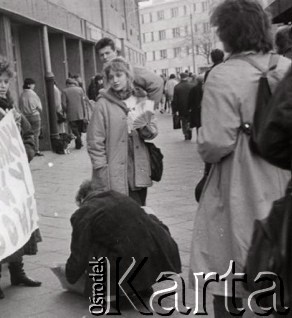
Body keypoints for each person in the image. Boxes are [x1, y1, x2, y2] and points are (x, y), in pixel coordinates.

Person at [189, 0, 292, 316]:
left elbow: (214, 144)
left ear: (227, 35)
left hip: (238, 185)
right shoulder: (287, 68)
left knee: (225, 269)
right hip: (283, 179)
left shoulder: (222, 76)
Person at [0, 57, 42, 299]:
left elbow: (28, 133)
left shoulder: (9, 104)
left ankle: (17, 271)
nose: (3, 86)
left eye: (6, 81)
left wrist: (26, 154)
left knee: (17, 223)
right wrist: (6, 125)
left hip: (15, 174)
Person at [65, 180, 181, 308]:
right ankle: (143, 286)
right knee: (130, 238)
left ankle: (114, 295)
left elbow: (79, 252)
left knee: (94, 247)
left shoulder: (84, 212)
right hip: (162, 249)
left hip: (132, 258)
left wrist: (69, 275)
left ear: (82, 199)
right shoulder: (119, 196)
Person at [87, 57, 158, 206]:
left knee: (138, 213)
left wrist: (141, 123)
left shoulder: (141, 99)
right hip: (114, 173)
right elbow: (95, 141)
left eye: (119, 75)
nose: (115, 80)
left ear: (128, 76)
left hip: (138, 169)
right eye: (111, 77)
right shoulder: (103, 104)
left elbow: (152, 133)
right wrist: (101, 171)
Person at [95, 37, 164, 108]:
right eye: (101, 55)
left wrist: (148, 111)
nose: (105, 57)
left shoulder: (128, 67)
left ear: (115, 52)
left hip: (132, 115)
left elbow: (157, 83)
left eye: (107, 53)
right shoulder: (105, 73)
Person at [19, 78, 44, 156]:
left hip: (25, 117)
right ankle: (36, 150)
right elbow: (39, 107)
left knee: (26, 134)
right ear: (29, 85)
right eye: (33, 84)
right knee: (36, 134)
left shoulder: (22, 94)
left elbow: (19, 106)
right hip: (35, 116)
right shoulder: (33, 94)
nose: (34, 86)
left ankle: (28, 150)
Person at [61, 78, 87, 150]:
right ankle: (79, 143)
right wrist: (84, 113)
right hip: (80, 113)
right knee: (79, 129)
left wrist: (66, 111)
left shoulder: (64, 91)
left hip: (71, 113)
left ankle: (78, 141)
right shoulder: (80, 89)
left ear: (67, 84)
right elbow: (83, 102)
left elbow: (63, 104)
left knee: (74, 129)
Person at [171, 72, 194, 140]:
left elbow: (175, 100)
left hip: (181, 107)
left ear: (180, 77)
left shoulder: (177, 87)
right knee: (190, 120)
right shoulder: (192, 85)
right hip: (191, 107)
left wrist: (174, 110)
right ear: (187, 77)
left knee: (183, 121)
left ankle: (186, 134)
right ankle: (190, 129)